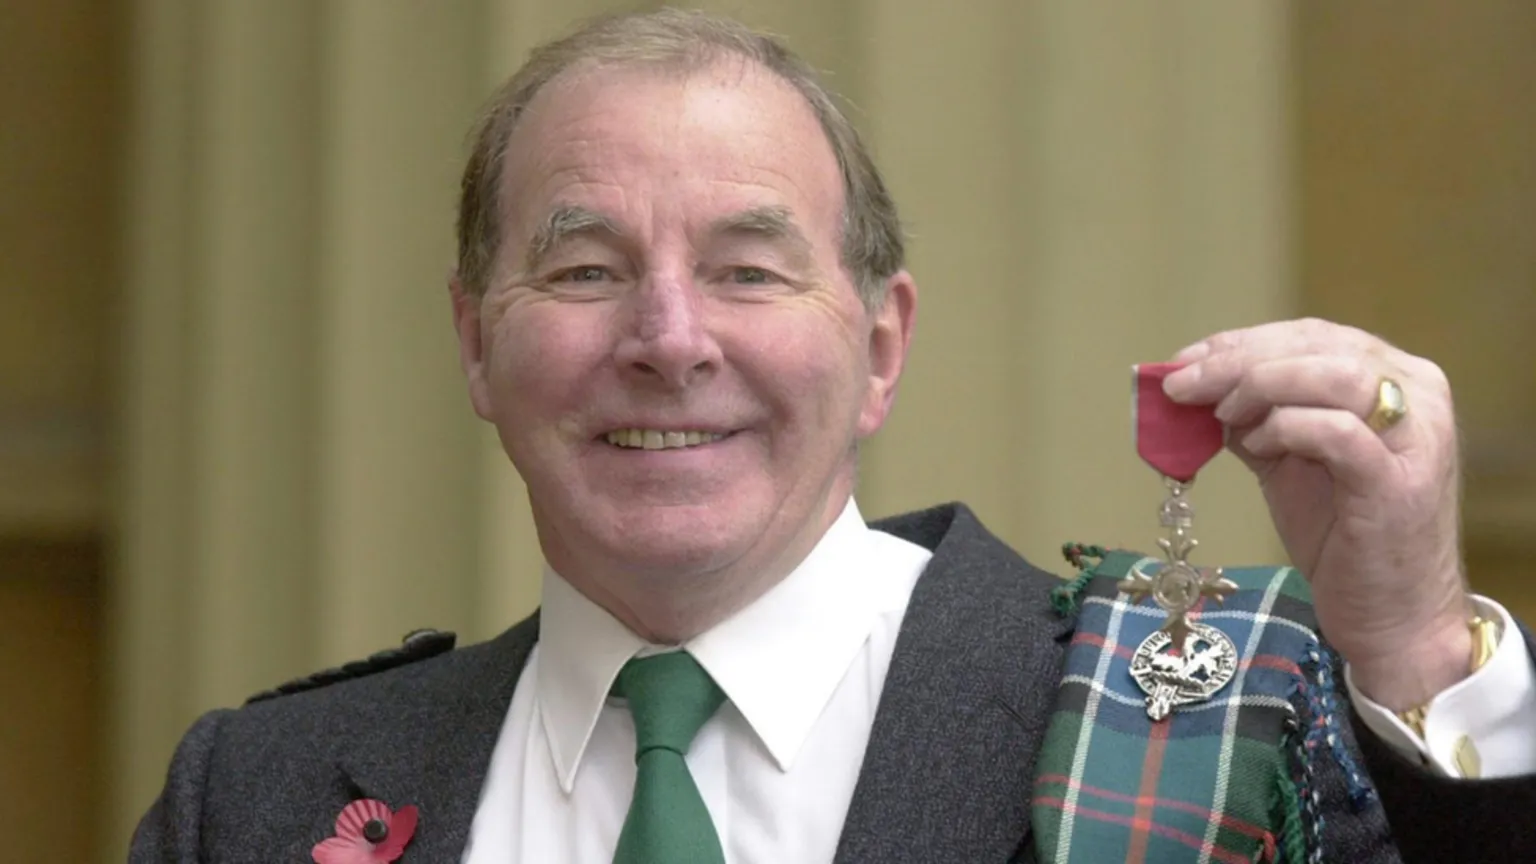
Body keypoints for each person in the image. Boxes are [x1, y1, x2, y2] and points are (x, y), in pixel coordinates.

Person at [130, 9, 1536, 863]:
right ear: (473, 342)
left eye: (748, 270)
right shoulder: (255, 799)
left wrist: (1412, 646)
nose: (669, 338)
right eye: (583, 269)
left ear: (878, 347)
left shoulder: (1190, 722)